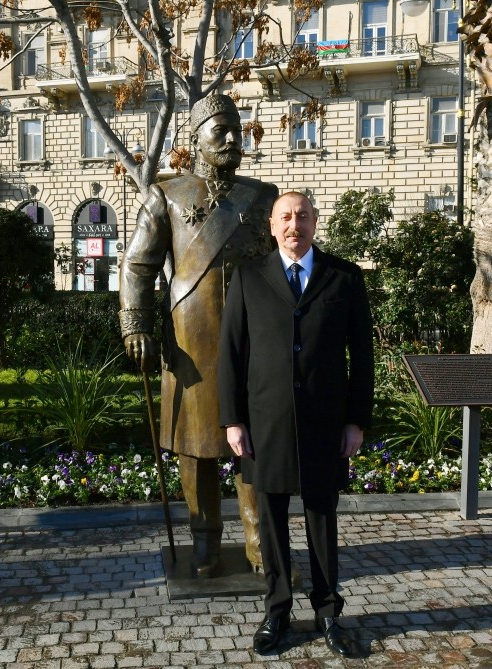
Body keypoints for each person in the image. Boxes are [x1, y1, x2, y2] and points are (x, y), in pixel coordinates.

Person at [119, 94, 278, 578]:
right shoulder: (167, 195)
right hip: (192, 337)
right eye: (219, 131)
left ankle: (257, 538)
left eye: (236, 130)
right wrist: (136, 324)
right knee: (196, 443)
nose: (231, 139)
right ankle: (205, 540)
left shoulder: (263, 196)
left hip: (256, 340)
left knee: (251, 442)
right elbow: (137, 265)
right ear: (196, 139)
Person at [217, 192, 375, 657]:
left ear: (315, 222)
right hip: (265, 424)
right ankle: (277, 610)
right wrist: (232, 420)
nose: (294, 225)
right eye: (285, 217)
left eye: (302, 216)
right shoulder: (247, 277)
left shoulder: (345, 278)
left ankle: (328, 613)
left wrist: (356, 422)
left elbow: (362, 357)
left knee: (322, 520)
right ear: (271, 226)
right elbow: (230, 354)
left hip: (326, 424)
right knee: (271, 523)